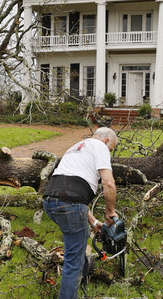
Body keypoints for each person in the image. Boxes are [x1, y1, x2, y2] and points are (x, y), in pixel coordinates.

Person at [43, 127, 118, 299]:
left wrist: (92, 222)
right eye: (111, 149)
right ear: (106, 140)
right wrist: (110, 212)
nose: (110, 153)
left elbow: (73, 189)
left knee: (77, 247)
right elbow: (108, 184)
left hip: (50, 201)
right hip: (69, 205)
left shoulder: (76, 147)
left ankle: (81, 287)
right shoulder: (100, 146)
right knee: (73, 261)